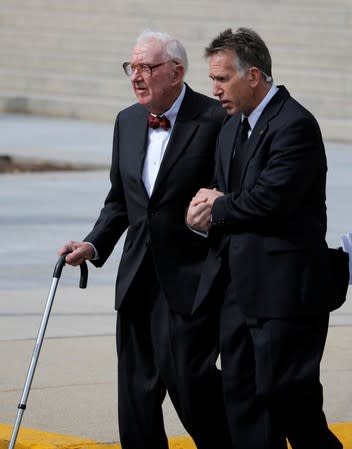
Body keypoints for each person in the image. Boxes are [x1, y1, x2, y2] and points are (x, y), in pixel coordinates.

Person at [58, 30, 231, 449]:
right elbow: (120, 201)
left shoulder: (215, 119)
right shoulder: (127, 120)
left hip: (190, 281)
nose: (137, 77)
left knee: (193, 387)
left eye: (147, 68)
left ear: (176, 72)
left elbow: (228, 196)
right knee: (136, 399)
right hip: (137, 280)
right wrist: (93, 245)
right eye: (131, 67)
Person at [186, 27, 343, 449]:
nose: (214, 89)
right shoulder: (231, 128)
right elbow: (224, 194)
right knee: (243, 402)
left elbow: (269, 199)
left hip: (286, 292)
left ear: (253, 76)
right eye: (213, 79)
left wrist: (218, 206)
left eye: (222, 78)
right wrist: (203, 214)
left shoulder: (295, 125)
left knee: (287, 395)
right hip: (238, 290)